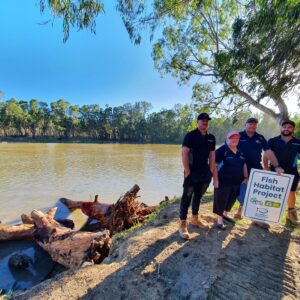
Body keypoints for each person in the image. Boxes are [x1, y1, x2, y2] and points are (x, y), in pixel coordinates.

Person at [234, 117, 284, 220]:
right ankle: (240, 210)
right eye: (250, 124)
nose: (252, 126)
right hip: (240, 168)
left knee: (257, 192)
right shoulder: (238, 135)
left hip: (256, 168)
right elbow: (229, 148)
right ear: (245, 125)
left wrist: (277, 166)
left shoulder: (260, 137)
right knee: (243, 190)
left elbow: (268, 152)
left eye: (254, 124)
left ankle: (254, 217)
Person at [178, 113, 216, 239]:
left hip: (204, 172)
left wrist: (211, 171)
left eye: (207, 120)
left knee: (198, 196)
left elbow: (212, 155)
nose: (205, 122)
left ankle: (195, 219)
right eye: (202, 120)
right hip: (191, 172)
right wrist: (187, 172)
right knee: (187, 197)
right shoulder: (190, 135)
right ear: (197, 122)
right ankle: (182, 223)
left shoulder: (211, 137)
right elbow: (184, 154)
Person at [263, 120, 300, 225]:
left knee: (291, 193)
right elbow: (266, 155)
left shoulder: (297, 142)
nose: (286, 129)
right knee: (272, 194)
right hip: (275, 171)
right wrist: (266, 168)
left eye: (289, 127)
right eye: (284, 127)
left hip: (292, 172)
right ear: (281, 128)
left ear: (293, 129)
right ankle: (266, 215)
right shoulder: (273, 141)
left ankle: (291, 216)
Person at [213, 131, 248, 229]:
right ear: (227, 138)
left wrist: (245, 177)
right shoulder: (221, 150)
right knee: (221, 199)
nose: (234, 140)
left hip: (237, 181)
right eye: (232, 138)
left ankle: (225, 215)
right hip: (223, 181)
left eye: (237, 138)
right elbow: (214, 166)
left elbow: (244, 164)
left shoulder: (240, 151)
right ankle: (219, 220)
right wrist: (215, 180)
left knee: (231, 199)